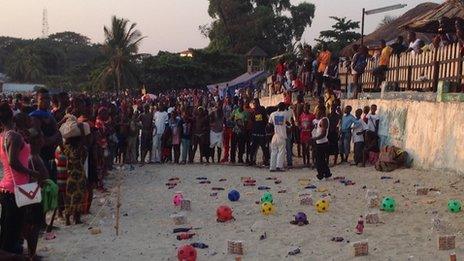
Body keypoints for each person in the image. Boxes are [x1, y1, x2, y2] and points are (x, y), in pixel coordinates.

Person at [0, 102, 45, 258]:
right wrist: (32, 172)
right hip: (16, 189)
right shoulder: (14, 136)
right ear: (12, 116)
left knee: (9, 230)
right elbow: (13, 161)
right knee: (13, 233)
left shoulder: (3, 136)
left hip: (9, 187)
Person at [311, 106, 332, 180]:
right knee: (321, 160)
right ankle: (326, 174)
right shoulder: (321, 120)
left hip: (322, 143)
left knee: (320, 160)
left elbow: (323, 134)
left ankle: (321, 174)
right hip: (320, 142)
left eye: (317, 111)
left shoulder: (324, 120)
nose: (316, 112)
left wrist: (314, 138)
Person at [268, 102, 290, 172]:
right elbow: (288, 123)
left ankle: (272, 167)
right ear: (283, 108)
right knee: (281, 151)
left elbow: (269, 124)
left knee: (274, 151)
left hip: (275, 136)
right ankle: (279, 166)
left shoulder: (272, 114)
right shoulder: (285, 114)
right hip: (282, 135)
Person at [249, 99, 269, 166]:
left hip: (262, 132)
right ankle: (252, 160)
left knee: (264, 148)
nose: (254, 105)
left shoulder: (262, 110)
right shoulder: (253, 111)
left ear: (258, 103)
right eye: (253, 103)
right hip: (254, 132)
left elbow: (266, 120)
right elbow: (252, 120)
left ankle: (266, 161)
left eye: (255, 103)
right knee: (253, 148)